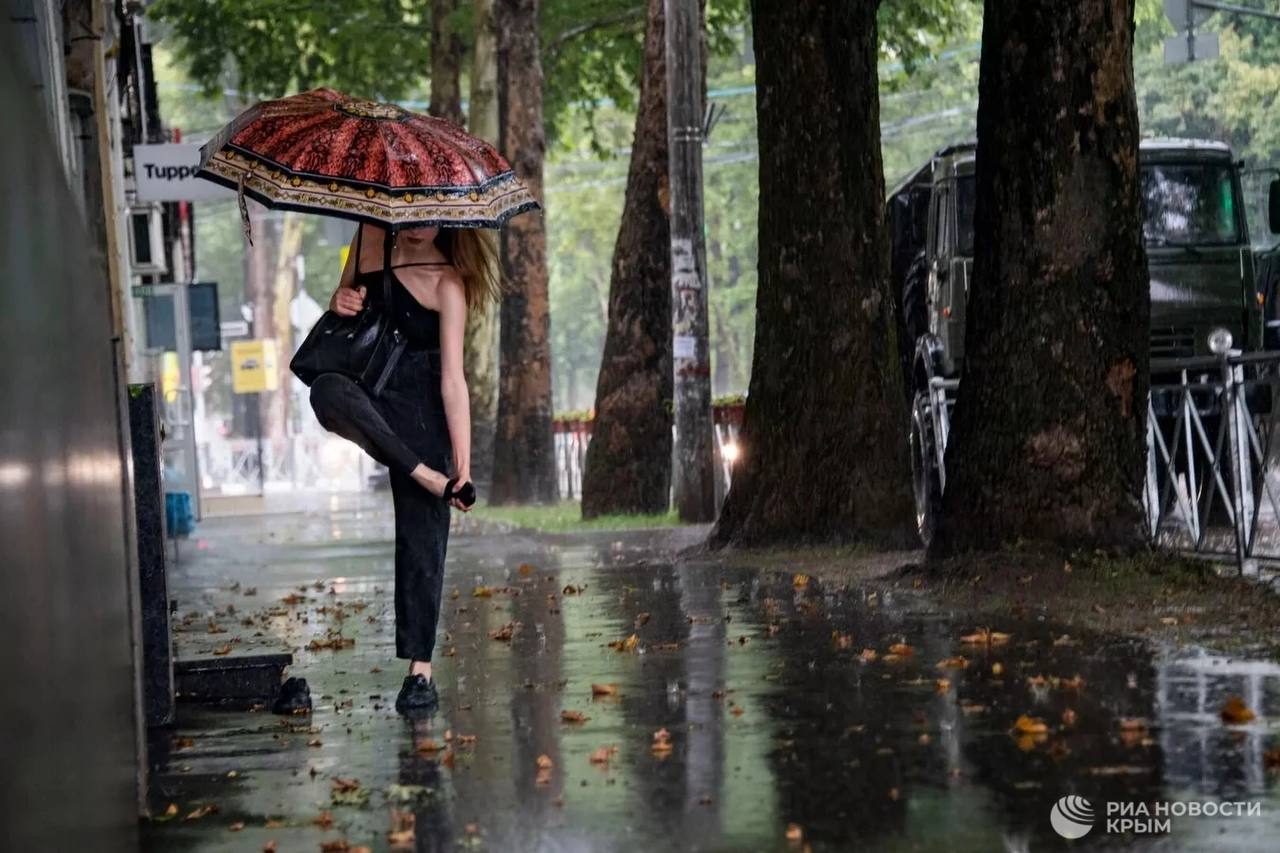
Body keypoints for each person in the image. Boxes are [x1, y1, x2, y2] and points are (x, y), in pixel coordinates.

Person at [309, 221, 499, 716]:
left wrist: (462, 468)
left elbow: (454, 381)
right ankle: (421, 473)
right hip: (368, 396)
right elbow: (344, 308)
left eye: (428, 216)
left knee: (422, 538)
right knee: (324, 392)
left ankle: (420, 671)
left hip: (422, 408)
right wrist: (338, 300)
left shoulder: (448, 282)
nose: (417, 225)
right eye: (408, 211)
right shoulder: (367, 237)